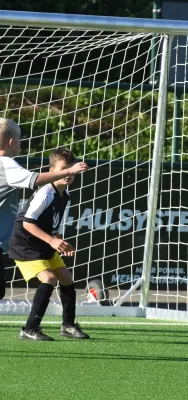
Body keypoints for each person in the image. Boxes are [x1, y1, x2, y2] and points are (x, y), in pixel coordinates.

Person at [0, 118, 88, 301]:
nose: (20, 144)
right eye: (18, 140)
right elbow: (35, 179)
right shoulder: (6, 164)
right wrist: (69, 171)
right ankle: (30, 329)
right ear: (10, 142)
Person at [10, 148, 90, 341]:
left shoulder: (65, 196)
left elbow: (49, 224)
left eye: (72, 168)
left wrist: (59, 240)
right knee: (49, 278)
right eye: (65, 169)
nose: (69, 173)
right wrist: (52, 240)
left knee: (66, 277)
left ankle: (68, 326)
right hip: (25, 245)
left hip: (43, 243)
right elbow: (27, 223)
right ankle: (29, 329)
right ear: (52, 170)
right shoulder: (45, 192)